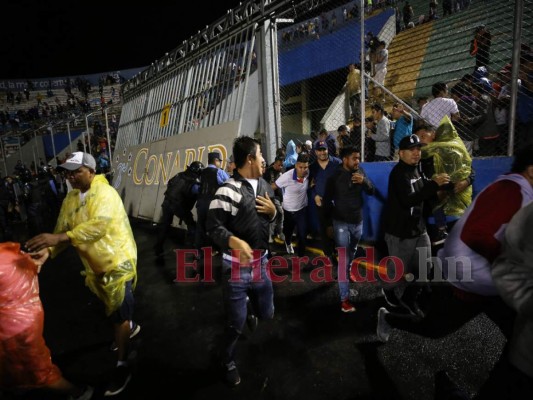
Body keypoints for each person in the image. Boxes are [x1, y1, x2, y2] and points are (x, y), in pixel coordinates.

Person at [25, 152, 140, 397]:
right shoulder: (72, 198)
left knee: (119, 314)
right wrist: (49, 251)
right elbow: (63, 229)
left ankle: (123, 364)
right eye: (68, 171)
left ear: (90, 170)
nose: (71, 176)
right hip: (96, 268)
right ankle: (130, 326)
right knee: (113, 309)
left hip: (117, 263)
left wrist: (58, 238)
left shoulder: (105, 194)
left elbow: (99, 226)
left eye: (76, 171)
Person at [206, 136, 279, 386]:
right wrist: (233, 241)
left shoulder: (265, 186)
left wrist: (274, 212)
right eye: (260, 156)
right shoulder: (227, 190)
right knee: (236, 325)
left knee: (267, 313)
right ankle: (225, 358)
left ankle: (249, 304)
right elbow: (213, 228)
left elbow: (276, 213)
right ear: (249, 159)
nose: (264, 160)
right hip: (235, 268)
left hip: (261, 264)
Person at [377, 134, 450, 341]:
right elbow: (408, 199)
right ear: (401, 153)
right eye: (411, 149)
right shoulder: (398, 174)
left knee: (425, 270)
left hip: (419, 230)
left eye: (418, 149)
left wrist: (444, 188)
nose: (416, 152)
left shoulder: (418, 169)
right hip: (400, 233)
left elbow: (425, 194)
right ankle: (387, 291)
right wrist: (433, 185)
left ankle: (409, 298)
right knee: (398, 273)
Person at [0, 242, 94, 400]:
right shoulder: (8, 253)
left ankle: (79, 393)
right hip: (29, 317)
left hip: (13, 330)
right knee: (25, 364)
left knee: (38, 370)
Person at [323, 146, 375, 312]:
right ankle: (344, 299)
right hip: (341, 223)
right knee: (344, 257)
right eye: (354, 158)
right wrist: (328, 225)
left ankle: (346, 269)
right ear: (345, 159)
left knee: (352, 251)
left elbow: (372, 190)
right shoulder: (334, 176)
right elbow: (326, 202)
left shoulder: (360, 172)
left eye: (358, 158)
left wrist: (364, 181)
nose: (357, 161)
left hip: (357, 222)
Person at [153, 161, 203, 257]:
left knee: (165, 226)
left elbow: (169, 183)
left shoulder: (179, 175)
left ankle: (158, 248)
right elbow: (197, 192)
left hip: (167, 202)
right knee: (192, 225)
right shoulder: (194, 182)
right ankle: (195, 250)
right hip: (179, 206)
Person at [274, 152, 310, 256]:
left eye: (305, 167)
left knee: (303, 235)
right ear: (295, 165)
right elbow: (273, 186)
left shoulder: (308, 173)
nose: (303, 170)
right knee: (288, 232)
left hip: (302, 209)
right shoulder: (286, 177)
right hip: (288, 210)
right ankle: (288, 243)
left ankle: (301, 257)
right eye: (300, 167)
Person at [195, 152, 230, 256]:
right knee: (214, 227)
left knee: (200, 226)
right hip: (212, 204)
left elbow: (198, 187)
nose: (220, 163)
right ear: (215, 161)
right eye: (220, 161)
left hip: (200, 203)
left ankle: (198, 251)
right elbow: (228, 183)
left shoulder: (201, 172)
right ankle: (213, 250)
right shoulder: (219, 172)